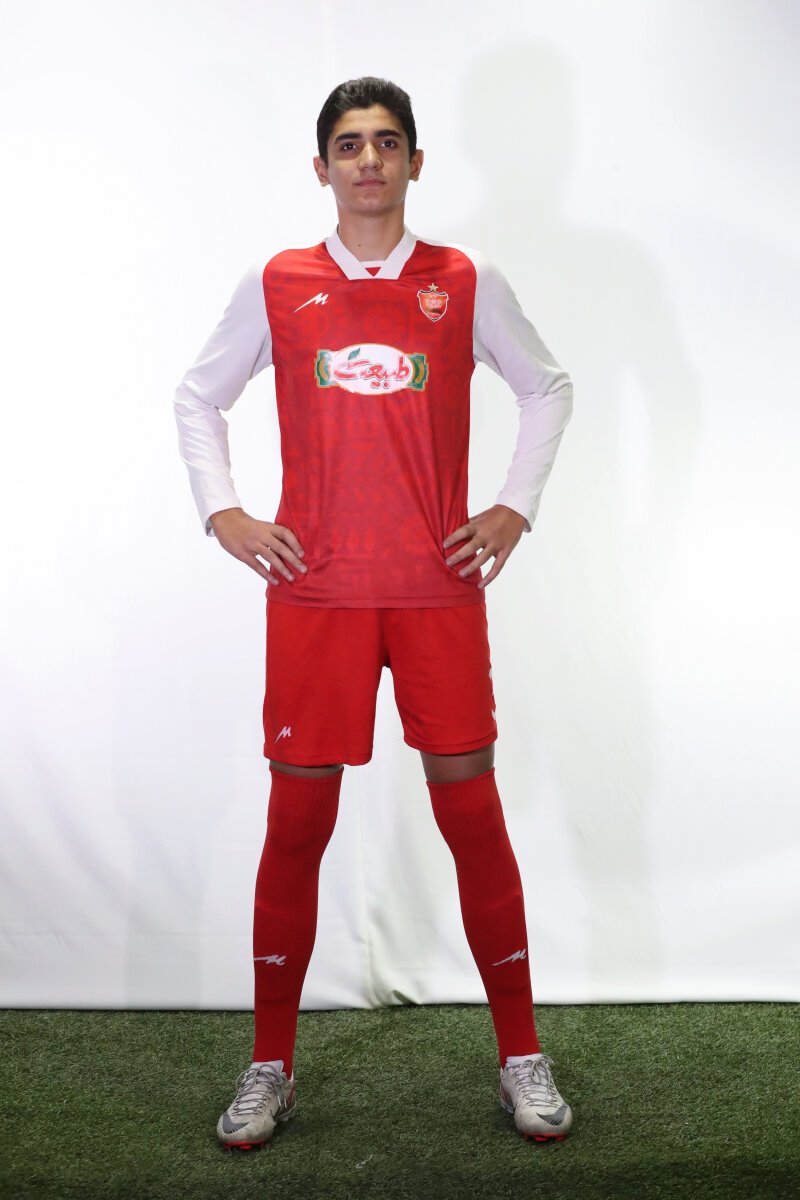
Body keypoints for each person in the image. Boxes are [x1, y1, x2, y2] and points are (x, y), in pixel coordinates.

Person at [173, 76, 574, 1150]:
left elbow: (547, 386)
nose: (367, 161)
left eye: (386, 142)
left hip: (437, 590)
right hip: (317, 593)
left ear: (414, 163)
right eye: (348, 145)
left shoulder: (463, 278)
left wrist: (512, 506)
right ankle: (270, 1064)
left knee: (472, 819)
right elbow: (197, 396)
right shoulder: (277, 281)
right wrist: (224, 512)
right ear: (322, 167)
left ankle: (520, 1055)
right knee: (296, 826)